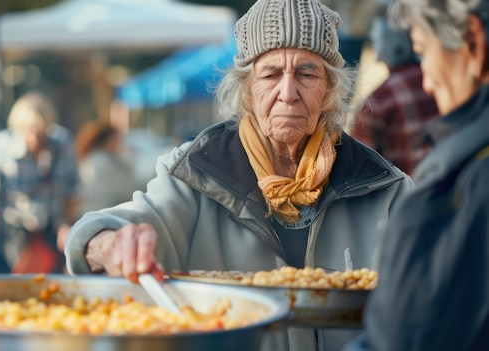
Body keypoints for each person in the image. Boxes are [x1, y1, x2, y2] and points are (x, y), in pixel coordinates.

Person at [65, 0, 413, 349]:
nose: (288, 93)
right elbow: (111, 227)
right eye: (271, 74)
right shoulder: (196, 174)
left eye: (307, 74)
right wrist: (107, 243)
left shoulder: (386, 191)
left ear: (330, 91)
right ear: (247, 89)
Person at [347, 0, 489, 350]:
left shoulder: (460, 190)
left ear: (473, 43)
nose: (426, 82)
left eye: (425, 51)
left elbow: (403, 337)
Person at [0, 92, 81, 274]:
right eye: (28, 130)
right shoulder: (2, 146)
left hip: (51, 230)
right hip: (14, 232)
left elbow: (72, 190)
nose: (33, 137)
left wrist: (67, 226)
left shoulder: (62, 143)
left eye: (39, 131)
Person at [350, 6, 439, 176]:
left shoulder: (377, 102)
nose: (373, 39)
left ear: (385, 40)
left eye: (375, 33)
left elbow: (357, 170)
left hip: (407, 197)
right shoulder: (438, 81)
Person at [75, 121, 141, 215]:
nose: (122, 145)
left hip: (93, 215)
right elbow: (129, 189)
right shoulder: (103, 163)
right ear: (109, 141)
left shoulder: (92, 159)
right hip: (101, 217)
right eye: (118, 140)